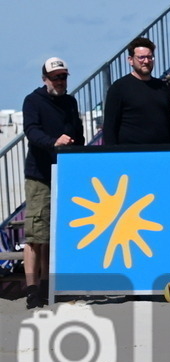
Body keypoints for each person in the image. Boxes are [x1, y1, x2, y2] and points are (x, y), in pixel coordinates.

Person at [22, 57, 84, 309]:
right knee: (36, 235)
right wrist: (53, 141)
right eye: (55, 77)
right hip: (39, 175)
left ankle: (48, 285)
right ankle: (32, 289)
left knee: (55, 236)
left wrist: (76, 149)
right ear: (45, 78)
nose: (60, 81)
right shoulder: (33, 101)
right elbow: (31, 131)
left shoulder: (70, 102)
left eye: (64, 77)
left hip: (64, 173)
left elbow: (78, 133)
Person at [102, 37, 170, 145]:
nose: (146, 61)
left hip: (162, 153)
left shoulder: (162, 87)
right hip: (131, 154)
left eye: (150, 57)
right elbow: (110, 128)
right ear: (130, 60)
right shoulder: (119, 88)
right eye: (141, 57)